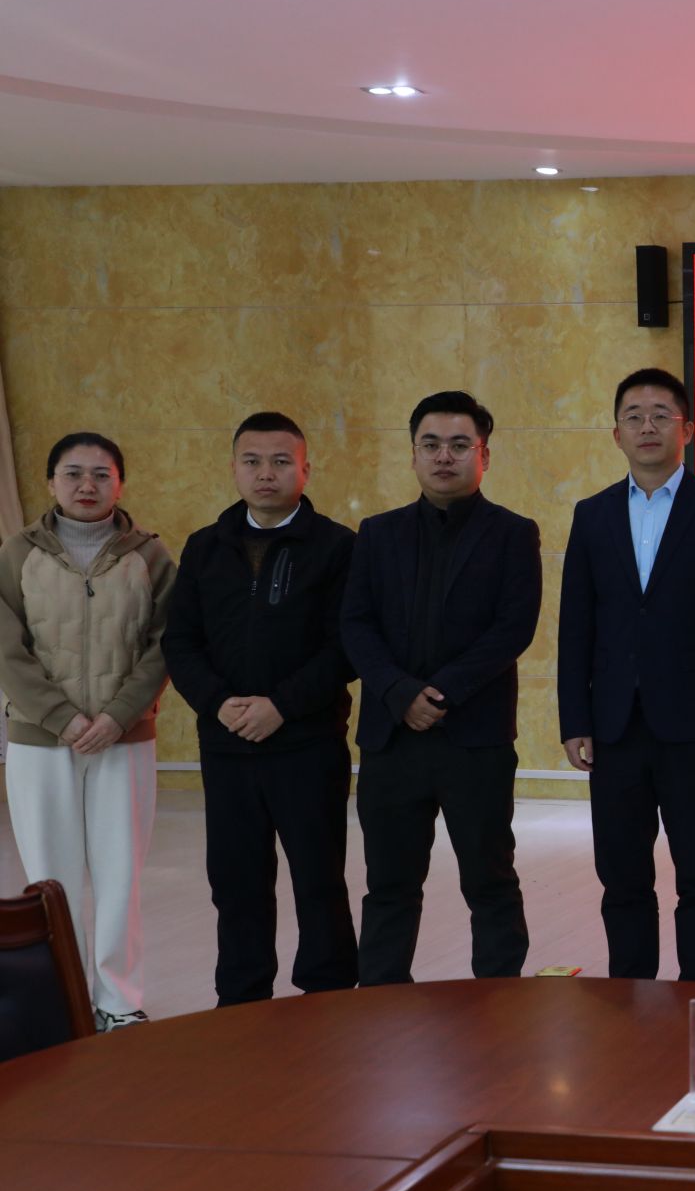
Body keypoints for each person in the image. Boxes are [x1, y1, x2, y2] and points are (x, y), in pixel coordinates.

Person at [341, 390, 541, 984]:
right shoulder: (377, 533)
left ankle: (497, 1002)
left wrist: (442, 694)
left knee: (489, 879)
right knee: (389, 884)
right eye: (430, 445)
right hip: (392, 738)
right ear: (413, 455)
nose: (444, 456)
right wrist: (400, 694)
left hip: (474, 738)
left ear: (484, 455)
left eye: (459, 445)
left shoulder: (513, 533)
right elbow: (355, 623)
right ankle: (381, 999)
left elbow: (513, 628)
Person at [161, 412, 358, 1005]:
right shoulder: (205, 546)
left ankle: (328, 997)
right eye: (252, 461)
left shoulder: (338, 547)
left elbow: (346, 645)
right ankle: (242, 1002)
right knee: (236, 884)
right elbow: (180, 641)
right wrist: (218, 702)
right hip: (227, 746)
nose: (265, 473)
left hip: (306, 744)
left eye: (280, 461)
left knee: (318, 879)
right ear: (234, 469)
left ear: (305, 469)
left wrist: (282, 706)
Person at [559, 368, 695, 981]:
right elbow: (576, 626)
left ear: (686, 429)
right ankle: (630, 999)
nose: (648, 426)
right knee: (622, 877)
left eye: (661, 415)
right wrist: (574, 718)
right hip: (614, 726)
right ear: (616, 433)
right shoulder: (592, 515)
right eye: (634, 416)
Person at [0, 432, 176, 1028]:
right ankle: (64, 1003)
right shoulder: (16, 553)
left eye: (101, 474)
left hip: (122, 739)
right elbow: (7, 650)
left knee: (120, 875)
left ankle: (118, 1002)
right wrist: (62, 718)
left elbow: (165, 646)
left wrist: (117, 716)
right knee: (50, 881)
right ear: (51, 481)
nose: (87, 485)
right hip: (39, 741)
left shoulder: (150, 555)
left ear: (119, 484)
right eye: (73, 473)